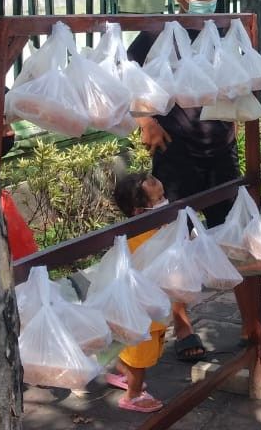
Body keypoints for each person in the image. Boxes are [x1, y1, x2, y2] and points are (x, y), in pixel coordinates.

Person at [128, 0, 261, 362]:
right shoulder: (156, 34)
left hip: (220, 154)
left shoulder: (223, 30)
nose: (210, 1)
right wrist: (145, 121)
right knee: (177, 245)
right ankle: (184, 326)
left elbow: (237, 81)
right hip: (176, 156)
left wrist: (235, 121)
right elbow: (129, 78)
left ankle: (253, 324)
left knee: (240, 240)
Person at [106, 171, 170, 414]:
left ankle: (123, 370)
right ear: (137, 211)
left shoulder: (150, 229)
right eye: (158, 199)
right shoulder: (139, 238)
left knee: (137, 352)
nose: (165, 202)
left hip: (149, 308)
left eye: (164, 196)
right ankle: (133, 394)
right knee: (142, 359)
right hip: (143, 314)